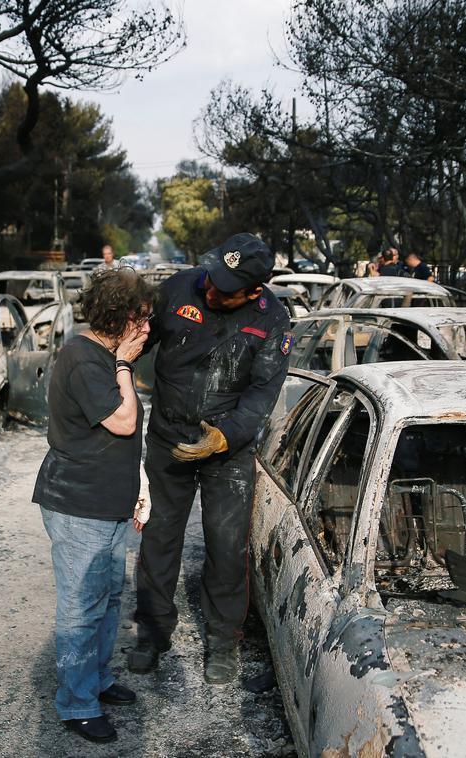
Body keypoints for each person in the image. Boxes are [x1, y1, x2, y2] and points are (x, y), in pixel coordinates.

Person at [130, 232, 291, 685]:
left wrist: (222, 438)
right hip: (167, 440)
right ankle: (153, 634)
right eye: (213, 276)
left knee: (226, 548)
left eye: (226, 286)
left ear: (255, 290)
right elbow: (136, 342)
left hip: (227, 453)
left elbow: (261, 396)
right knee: (158, 539)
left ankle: (223, 641)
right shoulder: (180, 288)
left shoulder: (273, 321)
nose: (211, 289)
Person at [34, 268, 154, 744]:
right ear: (118, 318)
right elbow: (124, 422)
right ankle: (77, 704)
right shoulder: (88, 360)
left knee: (107, 602)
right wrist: (125, 365)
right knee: (82, 608)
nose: (148, 328)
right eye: (141, 319)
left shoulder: (102, 353)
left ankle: (97, 681)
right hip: (78, 504)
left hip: (107, 503)